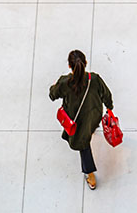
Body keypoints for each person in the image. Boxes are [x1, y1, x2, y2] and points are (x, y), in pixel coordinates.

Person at [48, 50, 114, 191]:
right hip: (94, 114)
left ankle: (90, 175)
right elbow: (106, 94)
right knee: (90, 129)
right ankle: (91, 131)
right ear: (86, 64)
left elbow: (52, 95)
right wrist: (109, 107)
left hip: (77, 122)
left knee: (84, 146)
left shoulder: (64, 82)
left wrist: (54, 87)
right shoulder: (94, 79)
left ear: (69, 66)